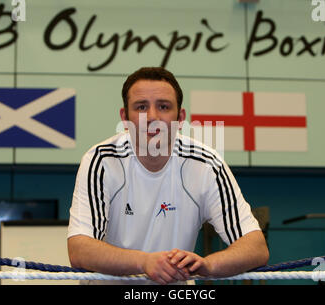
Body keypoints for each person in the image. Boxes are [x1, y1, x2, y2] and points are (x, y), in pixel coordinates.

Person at [67, 67, 269, 285]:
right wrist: (144, 262)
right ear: (125, 118)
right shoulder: (101, 161)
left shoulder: (206, 164)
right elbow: (79, 250)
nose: (153, 117)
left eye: (163, 106)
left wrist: (208, 265)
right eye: (141, 107)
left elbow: (255, 247)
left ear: (180, 118)